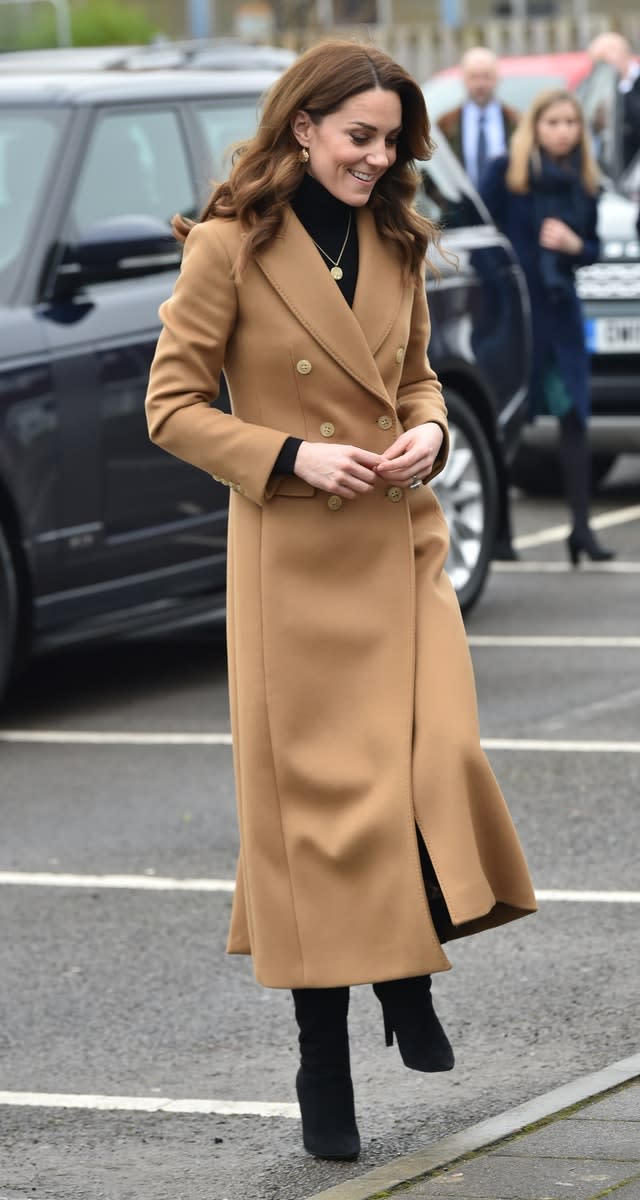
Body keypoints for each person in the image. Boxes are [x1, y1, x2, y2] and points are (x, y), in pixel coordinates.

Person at [145, 39, 537, 1162]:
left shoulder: (398, 237)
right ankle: (322, 1059)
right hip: (294, 564)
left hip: (398, 540)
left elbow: (415, 377)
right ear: (303, 128)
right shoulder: (226, 246)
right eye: (360, 137)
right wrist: (286, 458)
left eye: (390, 142)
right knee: (314, 824)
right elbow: (170, 409)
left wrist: (427, 427)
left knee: (438, 758)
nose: (378, 158)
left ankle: (404, 962)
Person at [480, 89, 615, 565]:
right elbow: (481, 231)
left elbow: (595, 248)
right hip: (516, 314)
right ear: (535, 127)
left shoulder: (584, 182)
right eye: (553, 122)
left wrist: (577, 244)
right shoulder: (507, 175)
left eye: (570, 123)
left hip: (563, 316)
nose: (563, 131)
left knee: (575, 418)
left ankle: (581, 530)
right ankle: (500, 533)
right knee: (507, 420)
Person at [438, 46, 520, 189]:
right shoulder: (446, 124)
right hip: (462, 207)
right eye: (474, 77)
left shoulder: (516, 122)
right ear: (463, 79)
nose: (480, 84)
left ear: (497, 78)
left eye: (486, 76)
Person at [588, 32, 640, 168]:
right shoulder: (597, 90)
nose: (602, 68)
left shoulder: (631, 88)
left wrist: (620, 88)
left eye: (604, 60)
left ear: (625, 55)